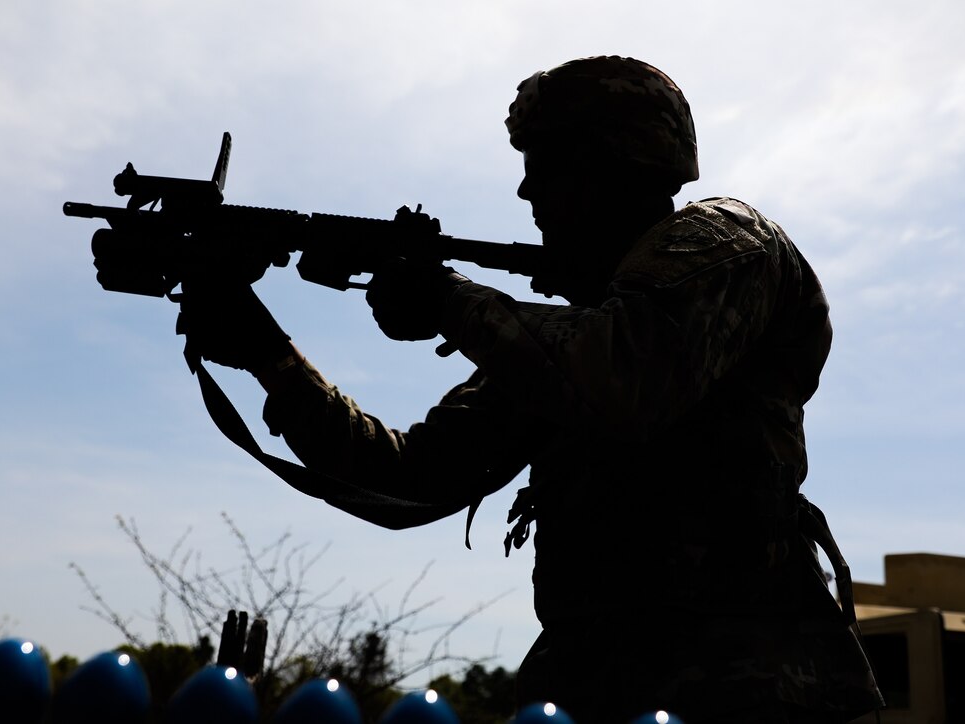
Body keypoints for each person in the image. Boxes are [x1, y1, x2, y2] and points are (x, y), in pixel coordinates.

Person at [178, 56, 883, 723]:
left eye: (544, 167)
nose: (526, 192)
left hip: (744, 688)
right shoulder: (564, 346)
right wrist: (267, 352)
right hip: (593, 684)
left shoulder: (727, 242)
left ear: (612, 165)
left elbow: (624, 381)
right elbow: (411, 477)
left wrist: (446, 299)